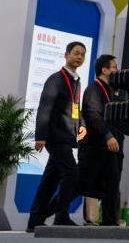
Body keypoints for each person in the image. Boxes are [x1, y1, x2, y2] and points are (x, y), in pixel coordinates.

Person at [27, 41, 87, 232]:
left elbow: (75, 108)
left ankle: (35, 221)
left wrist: (81, 126)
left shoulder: (76, 81)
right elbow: (45, 107)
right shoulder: (56, 79)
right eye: (76, 53)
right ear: (66, 54)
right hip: (55, 137)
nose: (79, 57)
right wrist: (41, 135)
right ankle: (56, 215)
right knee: (72, 174)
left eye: (82, 54)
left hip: (67, 137)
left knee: (50, 180)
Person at [78, 54, 123, 227]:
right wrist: (108, 135)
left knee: (111, 184)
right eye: (114, 67)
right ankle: (46, 214)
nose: (117, 70)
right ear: (104, 70)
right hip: (95, 147)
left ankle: (110, 223)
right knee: (80, 185)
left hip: (108, 148)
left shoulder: (110, 90)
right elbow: (92, 114)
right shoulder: (94, 89)